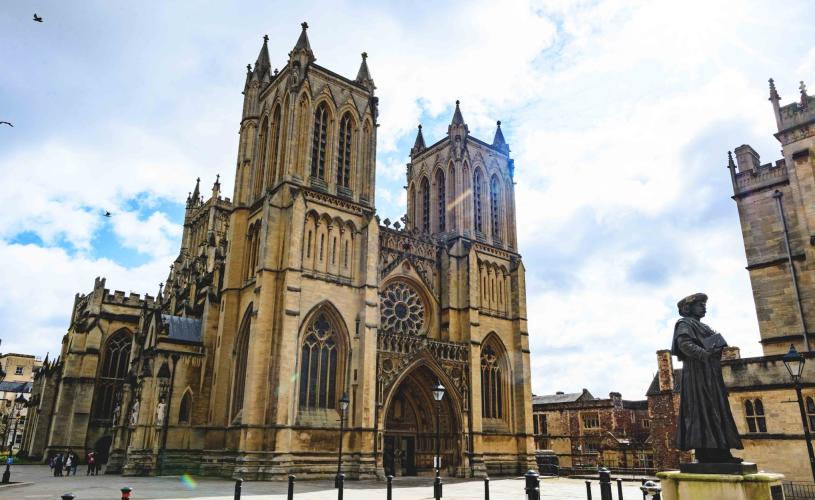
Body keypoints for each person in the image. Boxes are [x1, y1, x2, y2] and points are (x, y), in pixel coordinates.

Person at [671, 293, 743, 463]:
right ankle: (707, 452)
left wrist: (717, 349)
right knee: (702, 409)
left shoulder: (705, 327)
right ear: (688, 308)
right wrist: (705, 354)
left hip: (710, 372)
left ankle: (721, 451)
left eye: (704, 304)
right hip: (697, 374)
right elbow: (684, 345)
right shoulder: (684, 323)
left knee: (716, 409)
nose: (704, 307)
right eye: (700, 304)